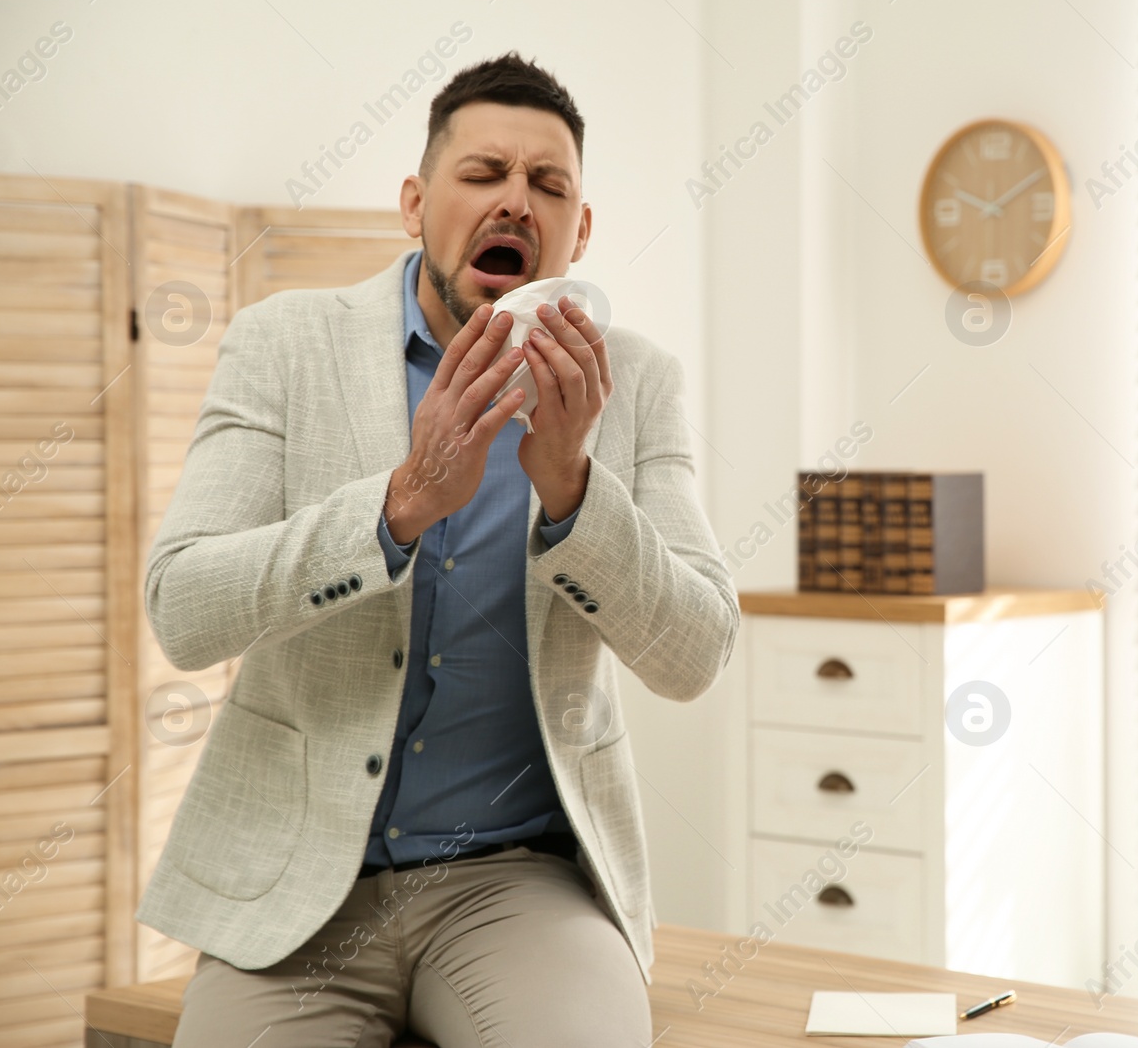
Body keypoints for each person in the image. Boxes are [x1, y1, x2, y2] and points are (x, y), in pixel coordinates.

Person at [137, 52, 739, 1047]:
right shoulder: (281, 344)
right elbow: (184, 607)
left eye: (548, 184)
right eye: (482, 173)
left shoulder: (635, 383)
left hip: (520, 884)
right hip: (298, 888)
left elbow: (697, 652)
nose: (515, 200)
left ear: (578, 230)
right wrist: (398, 505)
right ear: (415, 202)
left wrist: (575, 489)